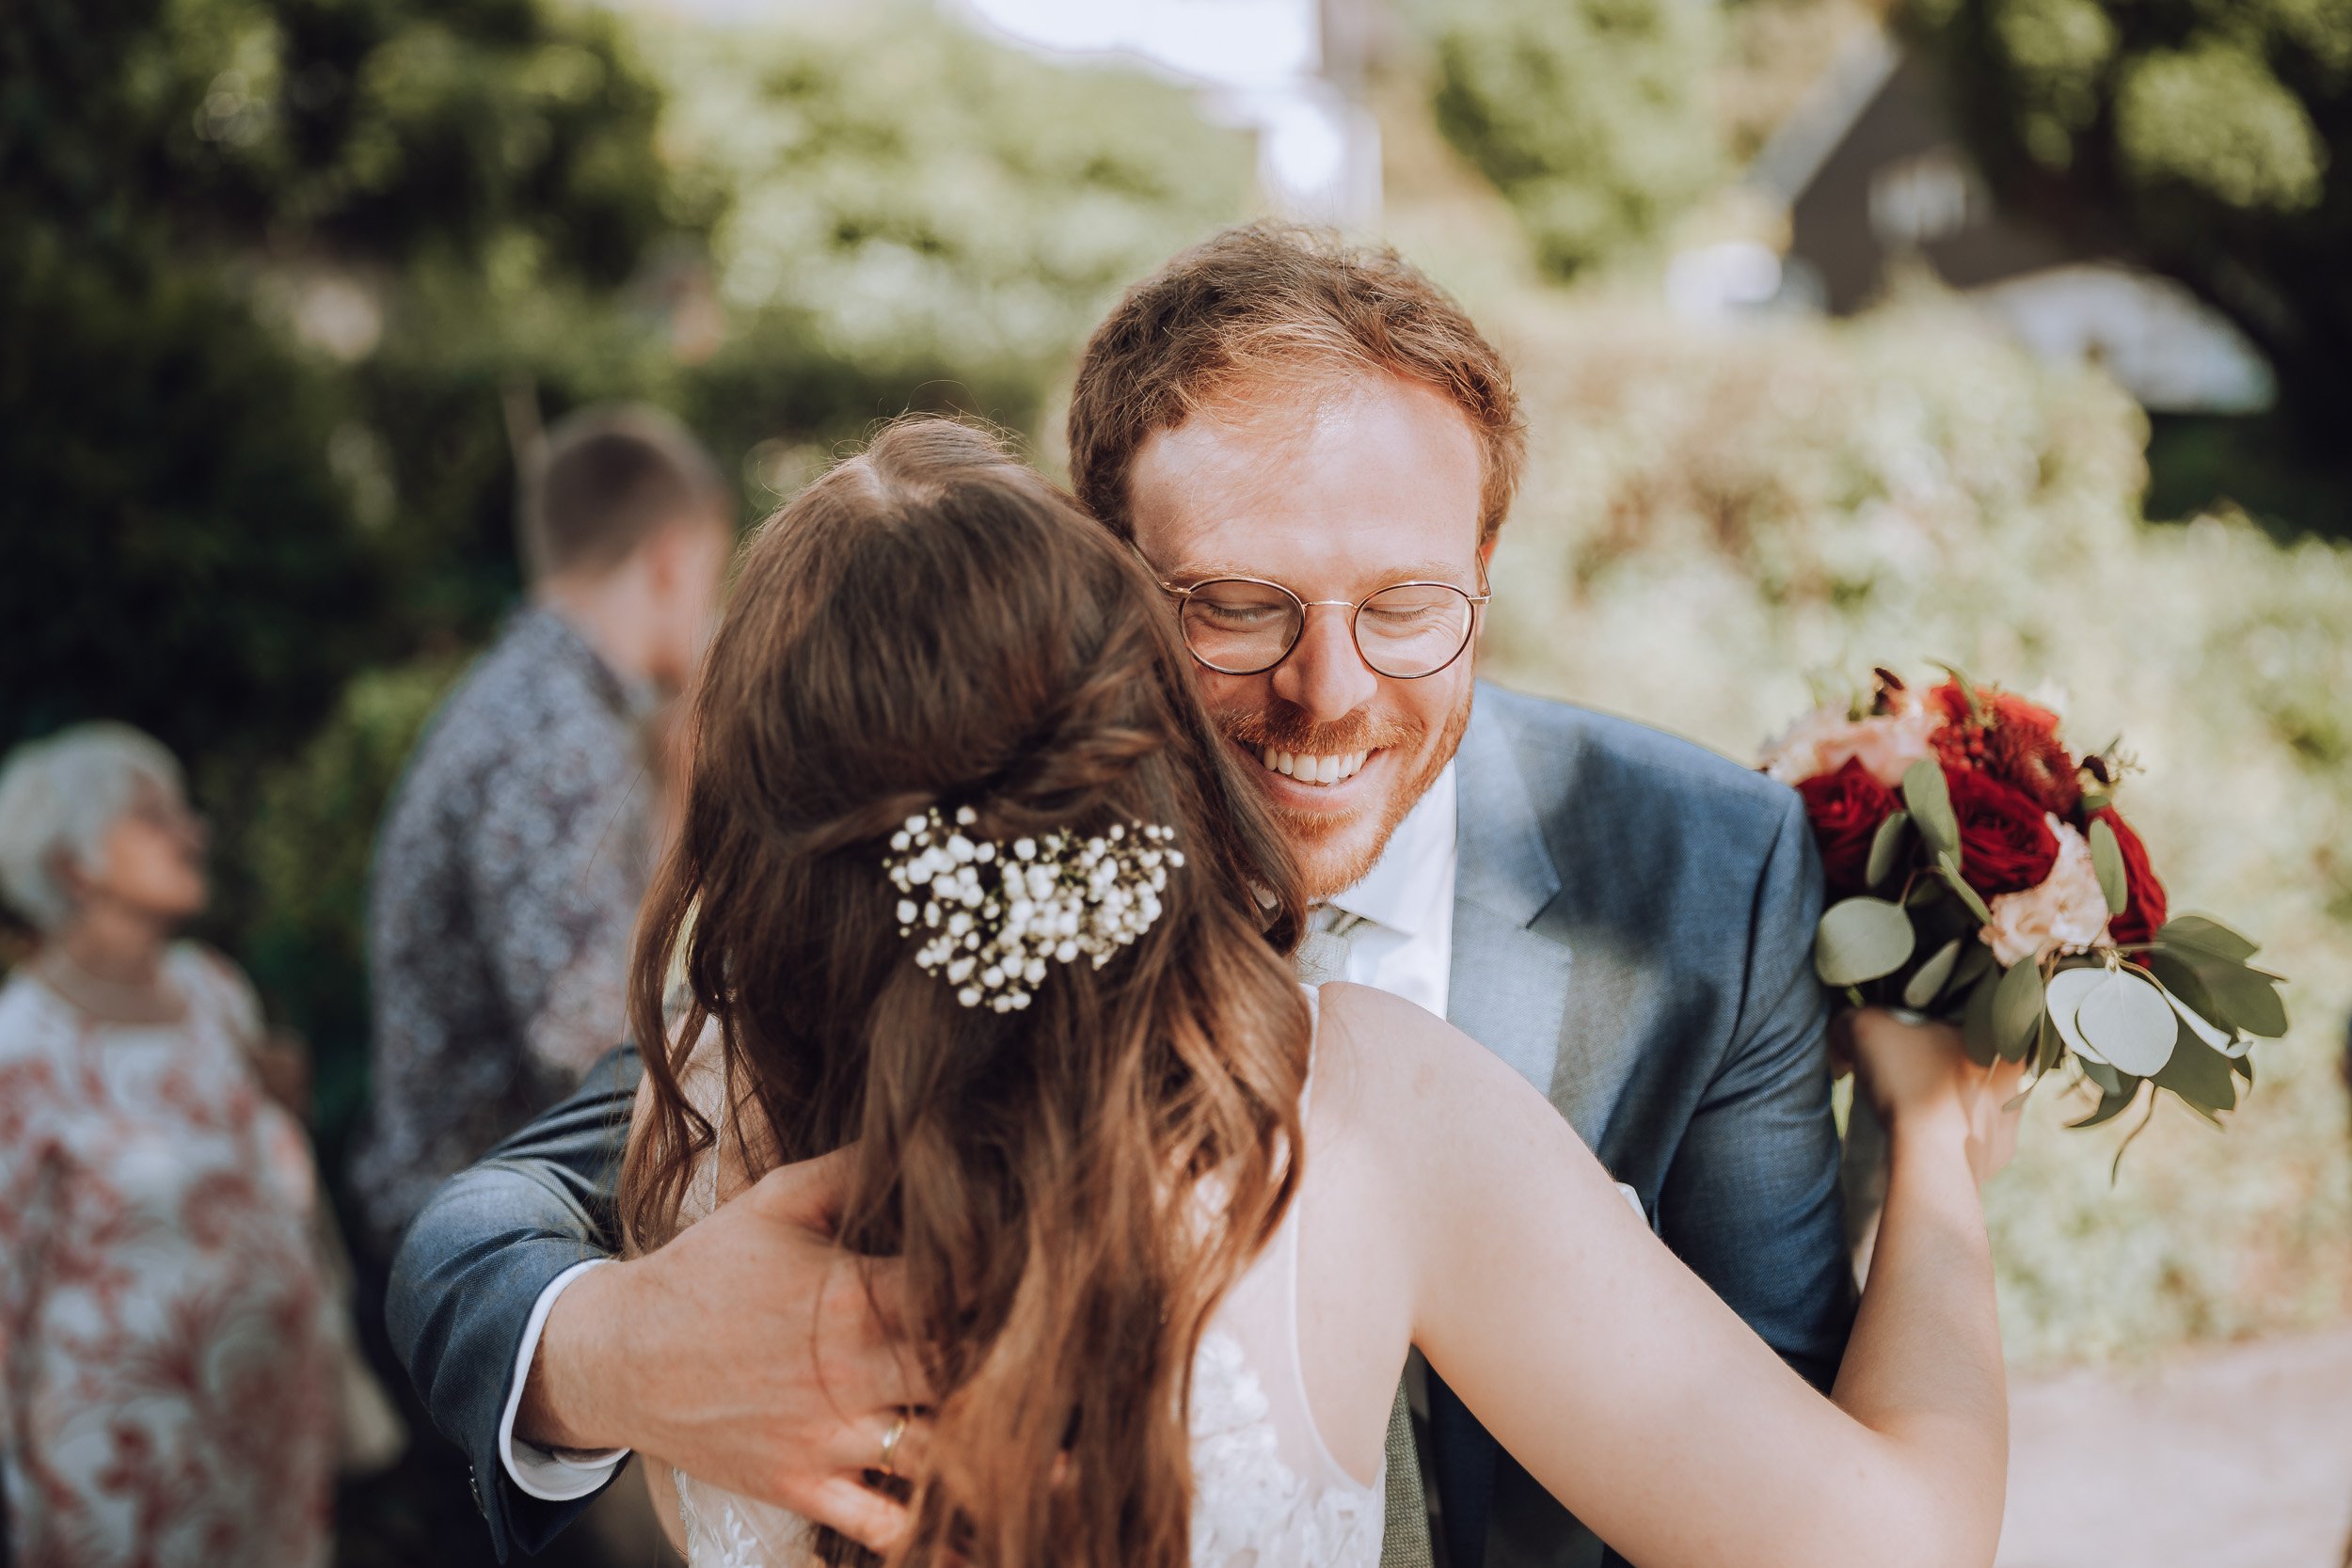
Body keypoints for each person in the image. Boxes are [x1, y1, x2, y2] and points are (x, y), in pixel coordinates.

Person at [392, 228, 1858, 1567]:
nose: (1328, 695)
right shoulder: (946, 860)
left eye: (1408, 608)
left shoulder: (1703, 870)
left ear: (1483, 571)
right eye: (1236, 606)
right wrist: (612, 1348)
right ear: (1103, 587)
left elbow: (1792, 1410)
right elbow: (491, 1220)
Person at [643, 418, 2017, 1567]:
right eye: (1234, 607)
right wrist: (1941, 1144)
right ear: (1143, 721)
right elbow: (1904, 1541)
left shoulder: (697, 1120)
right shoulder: (1357, 1099)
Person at [349, 403, 734, 1255]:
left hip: (484, 1212)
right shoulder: (558, 737)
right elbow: (586, 1041)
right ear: (672, 559)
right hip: (486, 1258)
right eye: (714, 572)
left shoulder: (533, 698)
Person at [0, 723, 338, 1567]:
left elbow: (270, 1182)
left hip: (274, 1426)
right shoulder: (22, 1042)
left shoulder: (212, 987)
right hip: (120, 1463)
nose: (193, 831)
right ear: (74, 864)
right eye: (155, 815)